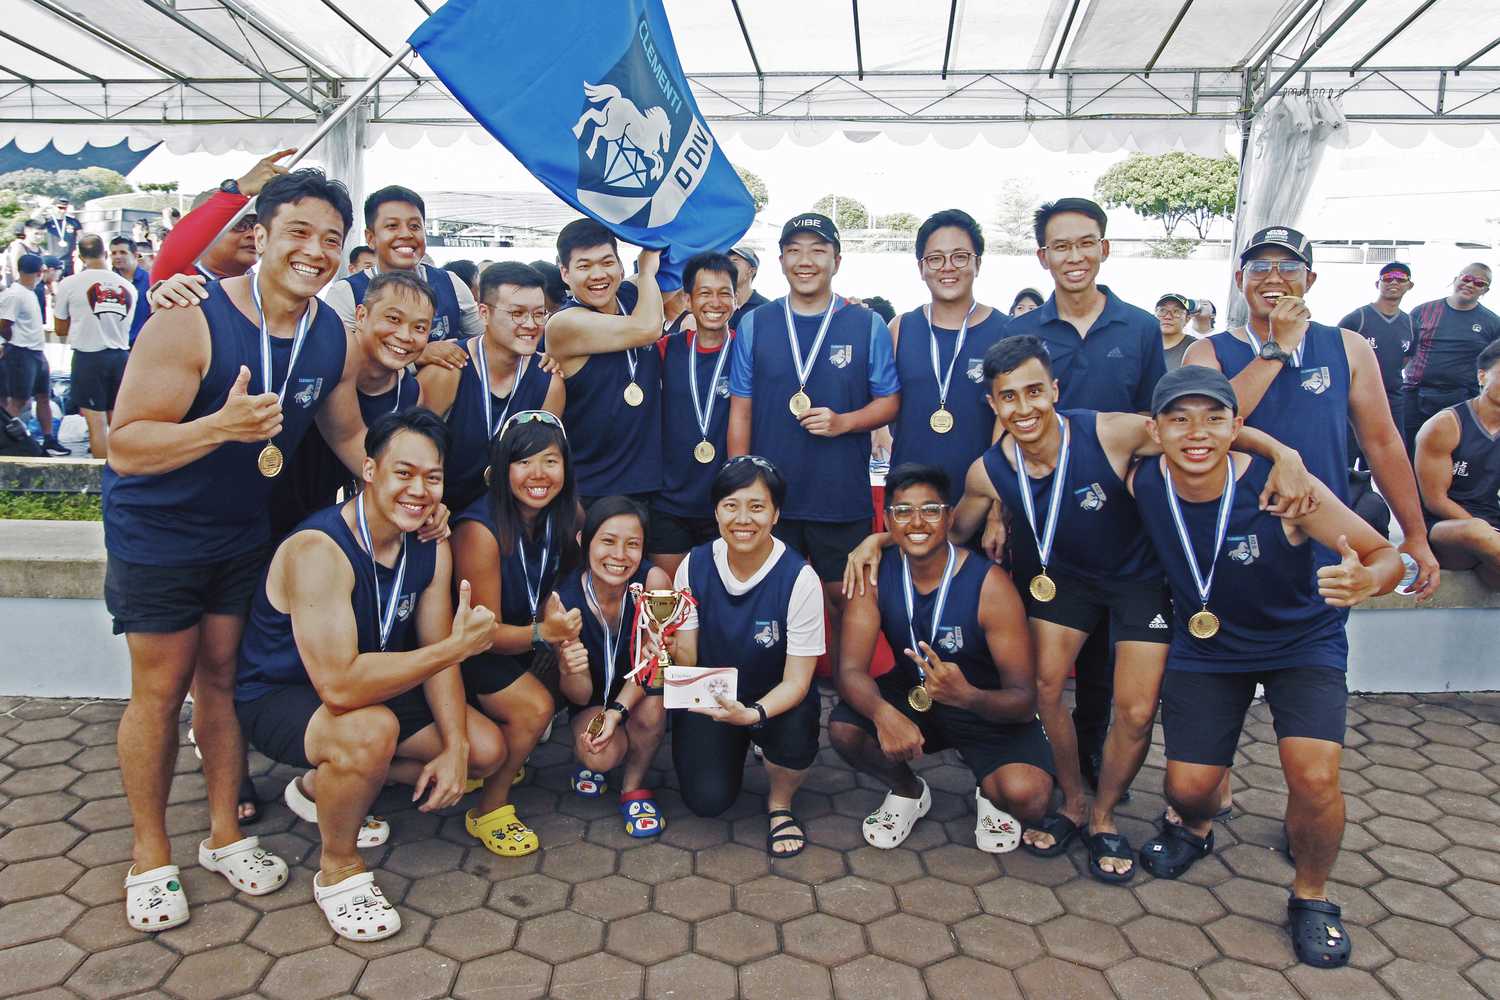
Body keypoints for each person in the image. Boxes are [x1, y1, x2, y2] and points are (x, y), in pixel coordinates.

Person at [845, 335, 1312, 879]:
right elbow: (948, 531)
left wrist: (1283, 453)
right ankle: (1073, 801)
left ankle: (1106, 817)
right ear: (993, 405)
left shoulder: (1109, 431)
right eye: (1009, 397)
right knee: (1045, 692)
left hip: (1139, 582)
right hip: (1060, 582)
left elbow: (1197, 432)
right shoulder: (987, 472)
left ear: (1054, 390)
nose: (1024, 408)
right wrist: (879, 540)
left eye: (1035, 392)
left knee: (1135, 711)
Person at [102, 169, 372, 934]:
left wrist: (398, 488)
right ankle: (150, 854)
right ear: (260, 236)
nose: (315, 251)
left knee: (221, 681)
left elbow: (345, 431)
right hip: (159, 532)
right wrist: (218, 428)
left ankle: (225, 834)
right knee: (160, 690)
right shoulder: (188, 319)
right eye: (298, 232)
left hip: (242, 531)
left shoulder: (330, 334)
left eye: (329, 238)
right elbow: (125, 446)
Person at [1129, 365, 1400, 970]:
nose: (1196, 433)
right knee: (1187, 790)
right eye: (1179, 419)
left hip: (1301, 644)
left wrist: (1367, 580)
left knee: (1313, 778)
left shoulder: (1287, 491)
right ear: (1155, 429)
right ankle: (1196, 828)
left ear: (1236, 426)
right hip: (1210, 645)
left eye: (1214, 419)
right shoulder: (1143, 480)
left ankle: (1311, 896)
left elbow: (1386, 555)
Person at [235, 409, 503, 941]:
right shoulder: (321, 549)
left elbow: (432, 648)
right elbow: (339, 686)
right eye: (403, 472)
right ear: (369, 470)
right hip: (285, 696)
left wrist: (455, 748)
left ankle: (321, 789)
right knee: (369, 731)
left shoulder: (429, 542)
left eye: (433, 477)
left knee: (485, 748)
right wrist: (454, 648)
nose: (419, 490)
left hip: (377, 683)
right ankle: (339, 868)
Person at [1005, 197, 1167, 795]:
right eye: (1060, 246)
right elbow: (1003, 424)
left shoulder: (1142, 328)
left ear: (1105, 247)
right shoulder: (1020, 331)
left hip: (1121, 528)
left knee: (1103, 660)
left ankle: (1098, 763)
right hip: (1042, 524)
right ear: (1042, 255)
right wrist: (1001, 505)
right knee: (1041, 656)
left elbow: (1157, 424)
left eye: (1085, 242)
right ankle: (1042, 758)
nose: (1074, 256)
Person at [1183, 226, 1438, 598]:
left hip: (1324, 529)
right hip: (1232, 527)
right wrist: (1278, 347)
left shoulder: (1347, 347)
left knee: (1318, 643)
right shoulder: (1208, 352)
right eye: (1259, 267)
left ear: (1310, 279)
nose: (1273, 278)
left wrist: (1415, 533)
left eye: (1289, 267)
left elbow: (1382, 443)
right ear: (1240, 279)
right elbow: (1209, 423)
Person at [831, 463, 1053, 853]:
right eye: (903, 511)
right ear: (887, 521)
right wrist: (885, 716)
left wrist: (968, 696)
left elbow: (1023, 700)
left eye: (931, 510)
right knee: (846, 729)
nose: (917, 521)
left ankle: (991, 791)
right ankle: (908, 791)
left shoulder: (990, 585)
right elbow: (849, 670)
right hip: (917, 698)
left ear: (949, 517)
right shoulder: (873, 574)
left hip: (984, 704)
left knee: (1028, 797)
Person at [727, 211, 900, 672]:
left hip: (838, 495)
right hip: (771, 497)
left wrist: (845, 422)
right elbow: (740, 408)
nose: (806, 261)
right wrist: (739, 486)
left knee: (846, 601)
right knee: (764, 599)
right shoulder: (756, 323)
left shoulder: (865, 325)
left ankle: (849, 698)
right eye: (796, 251)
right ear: (782, 260)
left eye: (818, 250)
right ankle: (764, 700)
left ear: (837, 260)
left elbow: (890, 402)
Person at [670, 456, 824, 856]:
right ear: (716, 510)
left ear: (776, 515)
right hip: (715, 697)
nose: (743, 518)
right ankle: (737, 745)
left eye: (757, 507)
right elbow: (687, 654)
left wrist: (753, 714)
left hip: (773, 697)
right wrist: (667, 653)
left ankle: (780, 803)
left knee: (796, 725)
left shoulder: (799, 578)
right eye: (731, 505)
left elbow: (798, 681)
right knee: (707, 802)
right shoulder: (694, 564)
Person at [453, 410, 580, 856]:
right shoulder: (479, 531)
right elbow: (481, 638)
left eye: (550, 460)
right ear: (502, 467)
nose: (538, 475)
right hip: (466, 657)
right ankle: (489, 809)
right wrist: (546, 632)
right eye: (523, 462)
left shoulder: (564, 515)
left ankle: (504, 755)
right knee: (535, 707)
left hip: (523, 640)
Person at [268, 270, 433, 538]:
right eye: (393, 319)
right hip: (265, 518)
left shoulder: (411, 393)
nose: (405, 335)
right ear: (361, 315)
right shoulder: (314, 362)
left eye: (420, 327)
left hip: (335, 528)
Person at [555, 496, 672, 836]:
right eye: (607, 541)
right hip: (590, 701)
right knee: (600, 756)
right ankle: (590, 761)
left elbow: (649, 668)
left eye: (632, 544)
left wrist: (616, 713)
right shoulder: (563, 600)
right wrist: (568, 669)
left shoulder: (653, 584)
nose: (620, 556)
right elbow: (579, 694)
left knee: (653, 707)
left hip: (636, 695)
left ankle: (633, 787)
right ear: (583, 541)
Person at [419, 262, 562, 514]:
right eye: (517, 313)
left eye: (539, 314)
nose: (531, 324)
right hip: (436, 515)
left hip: (507, 518)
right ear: (483, 313)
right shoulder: (449, 369)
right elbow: (410, 450)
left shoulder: (548, 381)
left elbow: (541, 465)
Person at [888, 209, 1008, 505]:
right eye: (936, 258)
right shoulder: (900, 327)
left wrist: (997, 502)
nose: (947, 267)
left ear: (977, 263)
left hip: (979, 497)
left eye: (960, 256)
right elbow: (881, 401)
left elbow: (1009, 424)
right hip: (910, 498)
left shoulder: (1006, 331)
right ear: (921, 268)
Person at [544, 220, 665, 509]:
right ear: (565, 273)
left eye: (607, 262)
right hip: (592, 487)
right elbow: (648, 328)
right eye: (584, 266)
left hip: (649, 482)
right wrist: (646, 269)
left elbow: (676, 268)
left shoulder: (630, 297)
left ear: (620, 266)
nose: (598, 275)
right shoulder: (564, 323)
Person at [324, 186, 483, 369]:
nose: (406, 234)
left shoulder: (451, 283)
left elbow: (481, 343)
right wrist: (418, 356)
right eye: (392, 226)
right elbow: (340, 363)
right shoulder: (346, 292)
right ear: (370, 237)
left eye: (415, 226)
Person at [653, 252, 737, 577]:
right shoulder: (665, 350)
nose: (715, 302)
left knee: (720, 601)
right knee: (671, 600)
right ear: (687, 299)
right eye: (705, 293)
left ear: (736, 298)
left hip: (725, 504)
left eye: (724, 293)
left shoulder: (748, 352)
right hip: (670, 502)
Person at [1338, 261, 1416, 534]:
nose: (1393, 283)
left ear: (1409, 285)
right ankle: (1342, 521)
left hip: (1392, 400)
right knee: (1345, 462)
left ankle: (1394, 528)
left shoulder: (1409, 322)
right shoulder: (1357, 318)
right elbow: (1337, 354)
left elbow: (1406, 358)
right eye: (1387, 278)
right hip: (1351, 403)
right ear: (1378, 283)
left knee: (1389, 463)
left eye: (1400, 279)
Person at [1415, 339, 1500, 588]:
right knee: (1476, 531)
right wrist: (1489, 533)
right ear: (1482, 376)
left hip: (1492, 533)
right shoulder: (1445, 425)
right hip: (1445, 530)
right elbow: (1435, 501)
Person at [53, 235, 136, 459]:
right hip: (120, 356)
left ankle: (101, 478)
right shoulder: (128, 287)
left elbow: (60, 328)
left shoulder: (69, 283)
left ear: (80, 257)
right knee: (118, 422)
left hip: (88, 357)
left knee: (96, 424)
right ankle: (125, 474)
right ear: (106, 254)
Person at [1403, 263, 1500, 451]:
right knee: (1408, 452)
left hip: (1462, 397)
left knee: (1453, 452)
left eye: (1479, 283)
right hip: (1415, 395)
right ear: (1455, 280)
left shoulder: (1492, 322)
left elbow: (1493, 365)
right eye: (1466, 279)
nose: (1471, 285)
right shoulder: (1422, 312)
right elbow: (1404, 350)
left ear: (1485, 290)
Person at [0, 254, 66, 455]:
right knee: (19, 400)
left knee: (44, 396)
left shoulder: (30, 291)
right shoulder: (14, 294)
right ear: (39, 272)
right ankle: (6, 439)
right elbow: (3, 323)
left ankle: (48, 439)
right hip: (21, 352)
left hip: (36, 351)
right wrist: (11, 341)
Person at [110, 236, 152, 346]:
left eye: (123, 252)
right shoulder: (107, 283)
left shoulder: (150, 281)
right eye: (114, 253)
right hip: (113, 347)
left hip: (141, 345)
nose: (117, 256)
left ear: (135, 255)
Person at [729, 245, 768, 328]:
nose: (727, 267)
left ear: (751, 271)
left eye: (734, 261)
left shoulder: (765, 308)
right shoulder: (719, 305)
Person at [1156, 293, 1197, 370]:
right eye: (1162, 310)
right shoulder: (1144, 344)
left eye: (1176, 312)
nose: (1168, 316)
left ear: (1187, 319)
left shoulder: (1195, 348)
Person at [43, 198, 81, 277]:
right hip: (53, 262)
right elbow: (33, 219)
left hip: (69, 262)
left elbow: (82, 239)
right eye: (60, 208)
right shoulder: (48, 222)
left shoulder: (73, 221)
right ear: (53, 207)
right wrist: (44, 207)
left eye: (65, 208)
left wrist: (79, 251)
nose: (62, 211)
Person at [4, 219, 45, 289]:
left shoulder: (41, 250)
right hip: (22, 289)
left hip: (38, 288)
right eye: (36, 233)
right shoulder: (19, 248)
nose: (39, 237)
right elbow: (15, 272)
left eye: (42, 234)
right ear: (26, 232)